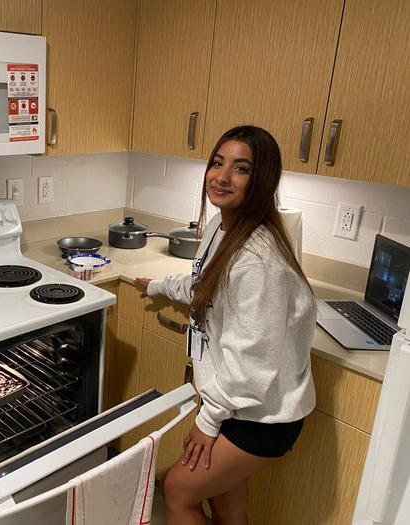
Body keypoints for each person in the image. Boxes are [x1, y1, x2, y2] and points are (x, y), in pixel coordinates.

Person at [135, 126, 316, 525]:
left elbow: (252, 360)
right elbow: (206, 284)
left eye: (240, 168)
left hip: (261, 415)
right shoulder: (224, 226)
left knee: (179, 489)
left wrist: (208, 418)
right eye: (217, 162)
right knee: (226, 506)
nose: (221, 176)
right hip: (238, 401)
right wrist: (160, 286)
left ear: (261, 179)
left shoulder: (258, 259)